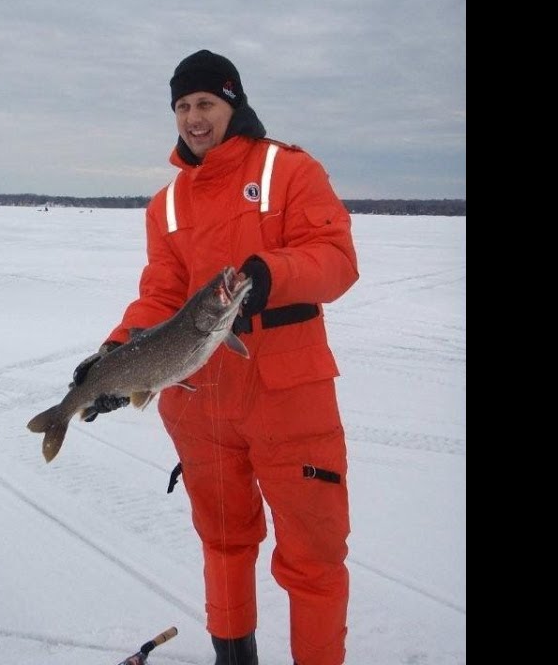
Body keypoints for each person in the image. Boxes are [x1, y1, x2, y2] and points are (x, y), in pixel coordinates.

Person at [72, 49, 359, 665]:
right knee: (224, 543)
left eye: (205, 103)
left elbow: (336, 259)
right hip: (198, 400)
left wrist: (268, 273)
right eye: (182, 106)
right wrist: (117, 352)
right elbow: (161, 295)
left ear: (234, 103)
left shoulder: (290, 169)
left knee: (313, 558)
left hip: (290, 400)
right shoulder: (168, 202)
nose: (193, 118)